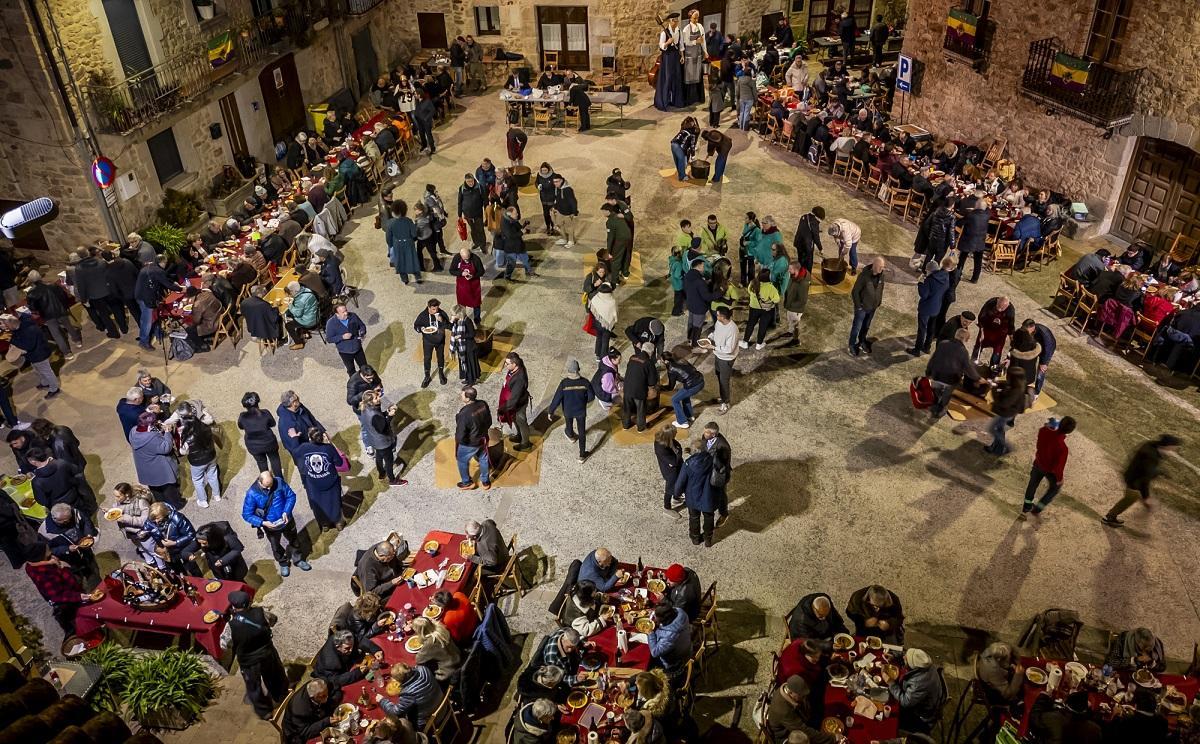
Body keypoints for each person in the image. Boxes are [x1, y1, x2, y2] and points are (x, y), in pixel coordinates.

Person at [225, 590, 289, 720]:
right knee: (275, 675)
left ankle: (263, 711)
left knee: (254, 686)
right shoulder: (261, 613)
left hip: (249, 663)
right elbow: (273, 620)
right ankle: (281, 695)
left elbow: (225, 644)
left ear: (233, 606)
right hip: (267, 653)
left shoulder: (231, 626)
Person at [1102, 434, 1182, 527]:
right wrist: (1146, 497)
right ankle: (1110, 518)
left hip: (1132, 476)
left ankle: (1111, 516)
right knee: (1131, 498)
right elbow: (1145, 479)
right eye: (1173, 447)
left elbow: (1146, 469)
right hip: (1135, 481)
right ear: (1168, 445)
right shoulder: (1151, 456)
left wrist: (1160, 472)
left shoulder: (1151, 446)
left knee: (1132, 498)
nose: (1174, 450)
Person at [241, 471, 310, 577]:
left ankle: (298, 560)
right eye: (266, 487)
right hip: (271, 526)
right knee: (276, 546)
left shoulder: (280, 482)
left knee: (295, 541)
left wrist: (286, 512)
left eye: (271, 485)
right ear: (259, 482)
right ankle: (283, 563)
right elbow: (246, 514)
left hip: (287, 520)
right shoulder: (252, 493)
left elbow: (291, 496)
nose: (269, 489)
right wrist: (263, 522)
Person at [23, 543, 85, 636]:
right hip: (69, 601)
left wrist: (52, 563)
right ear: (40, 556)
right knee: (81, 620)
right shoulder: (44, 575)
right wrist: (79, 597)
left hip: (72, 592)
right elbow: (57, 596)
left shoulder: (33, 564)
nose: (50, 552)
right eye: (47, 551)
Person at [128, 410, 183, 508]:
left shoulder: (133, 431)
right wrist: (167, 433)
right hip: (159, 469)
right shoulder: (151, 438)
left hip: (145, 468)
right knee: (168, 488)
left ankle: (161, 505)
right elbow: (166, 447)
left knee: (155, 489)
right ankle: (176, 505)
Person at [39, 502, 100, 589]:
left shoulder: (73, 512)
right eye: (65, 521)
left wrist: (88, 534)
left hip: (86, 555)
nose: (69, 522)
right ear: (55, 519)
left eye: (69, 519)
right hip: (70, 562)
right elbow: (48, 551)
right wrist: (66, 549)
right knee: (76, 583)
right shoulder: (44, 532)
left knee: (94, 574)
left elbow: (86, 521)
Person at [23, 271, 81, 359]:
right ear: (40, 278)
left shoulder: (31, 293)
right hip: (60, 310)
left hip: (47, 315)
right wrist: (64, 307)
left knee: (56, 334)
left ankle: (67, 353)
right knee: (69, 326)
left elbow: (33, 308)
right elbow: (63, 296)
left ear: (31, 281)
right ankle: (78, 341)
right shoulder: (52, 285)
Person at [295, 427, 345, 530]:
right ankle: (338, 523)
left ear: (309, 438)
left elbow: (296, 453)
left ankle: (324, 524)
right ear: (322, 437)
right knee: (334, 501)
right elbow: (339, 462)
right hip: (330, 480)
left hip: (314, 482)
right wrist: (328, 444)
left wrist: (295, 438)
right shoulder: (328, 449)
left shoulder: (304, 447)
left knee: (319, 503)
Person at [889, 648, 945, 735]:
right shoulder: (924, 663)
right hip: (923, 700)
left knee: (890, 713)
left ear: (912, 667)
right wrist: (894, 655)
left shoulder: (918, 682)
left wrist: (890, 683)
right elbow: (907, 654)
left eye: (906, 659)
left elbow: (905, 701)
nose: (904, 657)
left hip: (921, 716)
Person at [1, 313, 58, 398]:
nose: (4, 328)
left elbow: (28, 346)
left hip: (40, 354)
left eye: (5, 325)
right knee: (38, 370)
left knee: (47, 372)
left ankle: (54, 388)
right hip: (34, 355)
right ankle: (45, 382)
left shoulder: (28, 330)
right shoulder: (19, 325)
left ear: (10, 324)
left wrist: (12, 340)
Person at [767, 675, 836, 744]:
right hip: (787, 736)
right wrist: (833, 738)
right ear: (790, 693)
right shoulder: (783, 711)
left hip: (799, 721)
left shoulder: (788, 689)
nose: (804, 697)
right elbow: (803, 731)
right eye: (801, 696)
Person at [548, 359, 594, 461]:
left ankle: (571, 435)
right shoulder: (585, 382)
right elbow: (591, 397)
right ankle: (582, 455)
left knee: (569, 424)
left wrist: (551, 411)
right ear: (578, 370)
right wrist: (584, 400)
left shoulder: (564, 383)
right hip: (580, 411)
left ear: (568, 370)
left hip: (568, 411)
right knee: (582, 432)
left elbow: (557, 398)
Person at [29, 446, 96, 517]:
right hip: (74, 497)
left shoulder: (37, 482)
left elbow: (42, 501)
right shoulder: (61, 463)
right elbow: (76, 470)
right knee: (84, 517)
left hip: (60, 508)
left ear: (33, 462)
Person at [675, 437, 716, 547]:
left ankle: (695, 538)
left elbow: (681, 481)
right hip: (708, 495)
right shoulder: (712, 459)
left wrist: (676, 493)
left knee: (694, 517)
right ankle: (708, 539)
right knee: (709, 517)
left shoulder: (688, 464)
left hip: (693, 496)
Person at [359, 390, 406, 487]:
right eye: (376, 398)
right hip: (383, 443)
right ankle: (392, 480)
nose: (379, 398)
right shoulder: (374, 414)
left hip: (374, 440)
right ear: (370, 402)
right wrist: (390, 416)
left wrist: (387, 412)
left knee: (379, 456)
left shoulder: (365, 409)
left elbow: (378, 419)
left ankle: (381, 473)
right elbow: (383, 428)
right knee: (389, 462)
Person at [909, 257, 953, 356]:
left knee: (922, 329)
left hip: (926, 308)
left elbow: (924, 294)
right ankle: (927, 347)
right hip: (937, 307)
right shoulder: (946, 276)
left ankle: (917, 349)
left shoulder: (930, 280)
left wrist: (920, 283)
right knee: (931, 327)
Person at [376, 662, 440, 728]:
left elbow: (395, 712)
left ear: (399, 681)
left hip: (431, 719)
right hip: (440, 702)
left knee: (399, 722)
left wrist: (382, 701)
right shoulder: (423, 668)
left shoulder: (408, 694)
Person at [1028, 690, 1101, 744]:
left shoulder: (1055, 718)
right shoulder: (1095, 730)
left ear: (1066, 703)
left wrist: (1043, 697)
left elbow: (1034, 719)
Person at [283, 678, 342, 744]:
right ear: (312, 697)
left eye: (327, 694)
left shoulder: (321, 684)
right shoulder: (299, 710)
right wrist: (327, 721)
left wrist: (333, 706)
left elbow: (336, 687)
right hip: (295, 735)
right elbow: (305, 733)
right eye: (322, 696)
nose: (326, 698)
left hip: (314, 716)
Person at [238, 392, 283, 478]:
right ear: (257, 402)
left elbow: (240, 426)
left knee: (261, 462)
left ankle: (267, 482)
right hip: (269, 443)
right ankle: (280, 480)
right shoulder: (265, 413)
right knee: (274, 459)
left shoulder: (242, 416)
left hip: (253, 446)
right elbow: (272, 423)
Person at [455, 386, 492, 490]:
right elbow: (489, 421)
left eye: (462, 394)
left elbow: (460, 435)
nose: (460, 395)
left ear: (467, 398)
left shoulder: (464, 414)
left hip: (470, 443)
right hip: (483, 438)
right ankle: (485, 482)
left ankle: (467, 482)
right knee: (483, 458)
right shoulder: (483, 404)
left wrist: (462, 443)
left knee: (462, 460)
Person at [985, 367, 1027, 456]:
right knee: (999, 429)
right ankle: (997, 449)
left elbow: (1003, 403)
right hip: (1006, 413)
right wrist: (998, 384)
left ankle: (1006, 446)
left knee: (992, 429)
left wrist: (993, 390)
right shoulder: (1017, 385)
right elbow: (1005, 385)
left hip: (1006, 414)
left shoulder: (1016, 391)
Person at [848, 257, 886, 356]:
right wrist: (858, 306)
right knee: (856, 327)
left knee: (866, 326)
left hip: (872, 307)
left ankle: (862, 341)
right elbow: (855, 292)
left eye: (882, 267)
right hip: (862, 308)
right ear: (874, 266)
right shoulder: (864, 276)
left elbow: (881, 289)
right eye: (880, 267)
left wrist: (878, 302)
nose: (882, 269)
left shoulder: (882, 276)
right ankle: (852, 345)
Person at [648, 601, 692, 683]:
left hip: (674, 663)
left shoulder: (670, 636)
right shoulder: (679, 612)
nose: (654, 617)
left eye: (656, 616)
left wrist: (650, 632)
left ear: (663, 619)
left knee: (647, 662)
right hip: (685, 646)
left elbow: (655, 652)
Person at [662, 346, 705, 429]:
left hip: (692, 386)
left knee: (674, 399)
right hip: (700, 380)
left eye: (662, 360)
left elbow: (671, 387)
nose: (661, 361)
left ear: (666, 361)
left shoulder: (671, 369)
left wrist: (661, 388)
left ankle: (682, 422)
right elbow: (692, 369)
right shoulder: (681, 360)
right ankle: (690, 416)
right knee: (685, 397)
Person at [414, 298, 451, 388]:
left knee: (440, 357)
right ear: (429, 307)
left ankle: (441, 374)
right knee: (427, 358)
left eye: (437, 309)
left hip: (440, 340)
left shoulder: (441, 313)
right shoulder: (423, 315)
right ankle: (427, 376)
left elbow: (449, 326)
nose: (436, 311)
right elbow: (416, 326)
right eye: (434, 309)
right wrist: (421, 329)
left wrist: (442, 321)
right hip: (428, 341)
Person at [386, 200, 422, 285]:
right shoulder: (408, 220)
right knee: (413, 259)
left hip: (397, 244)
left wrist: (391, 245)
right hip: (409, 243)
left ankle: (405, 279)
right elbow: (414, 233)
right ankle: (418, 277)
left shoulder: (390, 223)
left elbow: (388, 237)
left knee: (400, 262)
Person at [956, 194, 990, 283]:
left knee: (962, 258)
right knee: (978, 261)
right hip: (980, 241)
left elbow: (960, 222)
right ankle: (975, 278)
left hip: (968, 239)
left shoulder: (970, 215)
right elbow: (987, 210)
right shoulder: (987, 216)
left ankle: (958, 274)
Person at [683, 258, 717, 346]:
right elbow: (708, 297)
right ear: (699, 266)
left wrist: (705, 282)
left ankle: (689, 338)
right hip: (699, 308)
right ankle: (694, 344)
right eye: (702, 266)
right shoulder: (700, 282)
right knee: (697, 327)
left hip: (690, 304)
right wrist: (720, 292)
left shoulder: (688, 275)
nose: (703, 268)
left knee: (691, 322)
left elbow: (691, 287)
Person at [654, 13, 684, 111]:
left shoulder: (679, 32)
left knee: (677, 77)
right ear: (670, 22)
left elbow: (681, 45)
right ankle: (664, 101)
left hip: (676, 56)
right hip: (667, 57)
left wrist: (682, 56)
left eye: (677, 21)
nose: (676, 22)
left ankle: (676, 101)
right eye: (674, 21)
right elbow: (661, 46)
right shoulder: (664, 33)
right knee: (668, 78)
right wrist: (667, 42)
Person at [742, 270, 779, 351]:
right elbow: (776, 300)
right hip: (766, 310)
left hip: (753, 308)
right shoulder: (771, 288)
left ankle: (745, 342)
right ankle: (759, 344)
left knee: (750, 324)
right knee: (763, 326)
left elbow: (749, 291)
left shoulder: (752, 283)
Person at [975, 296, 1015, 366]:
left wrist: (1012, 339)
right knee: (978, 346)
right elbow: (981, 317)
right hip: (987, 329)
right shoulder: (990, 303)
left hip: (1000, 333)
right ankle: (972, 364)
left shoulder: (1010, 310)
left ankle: (993, 371)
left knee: (997, 352)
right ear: (997, 301)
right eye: (998, 306)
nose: (999, 310)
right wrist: (981, 331)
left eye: (1002, 308)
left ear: (1007, 306)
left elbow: (1011, 326)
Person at [622, 345, 653, 433]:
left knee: (626, 408)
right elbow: (652, 382)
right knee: (640, 409)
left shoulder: (632, 358)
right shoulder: (648, 362)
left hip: (627, 388)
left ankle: (626, 425)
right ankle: (640, 427)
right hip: (639, 391)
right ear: (651, 352)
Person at [449, 247, 485, 325]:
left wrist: (473, 276)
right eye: (464, 259)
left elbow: (482, 271)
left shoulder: (476, 259)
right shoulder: (456, 258)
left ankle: (477, 320)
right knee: (461, 305)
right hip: (462, 287)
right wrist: (461, 273)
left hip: (474, 286)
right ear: (460, 255)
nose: (466, 260)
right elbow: (451, 270)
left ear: (470, 254)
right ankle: (463, 319)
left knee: (476, 304)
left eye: (468, 258)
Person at [449, 304, 482, 387]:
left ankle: (471, 381)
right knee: (464, 363)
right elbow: (451, 328)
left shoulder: (467, 321)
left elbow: (472, 334)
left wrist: (461, 336)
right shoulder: (457, 321)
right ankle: (467, 378)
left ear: (459, 314)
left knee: (470, 364)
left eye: (454, 314)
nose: (452, 316)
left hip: (469, 346)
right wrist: (451, 321)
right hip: (461, 347)